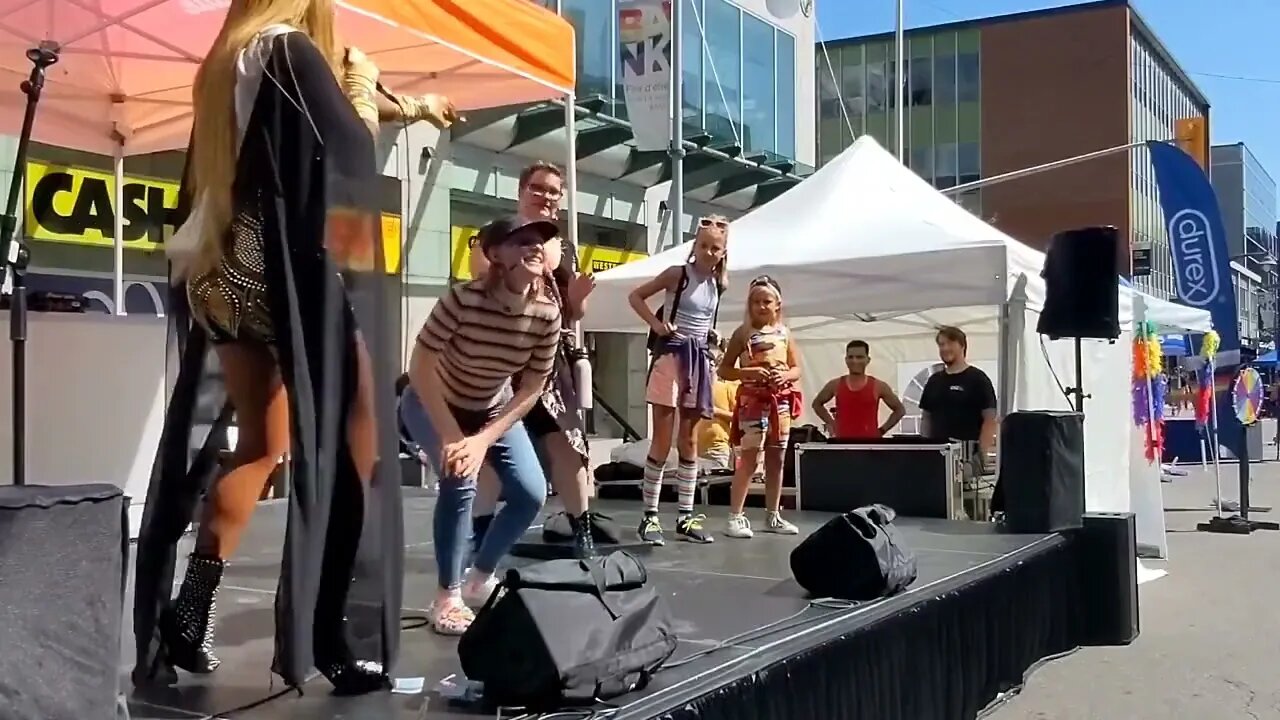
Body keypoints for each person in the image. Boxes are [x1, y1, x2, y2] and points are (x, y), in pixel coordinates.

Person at [133, 2, 457, 695]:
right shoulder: (287, 50)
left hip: (219, 271)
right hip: (271, 267)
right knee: (357, 446)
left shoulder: (228, 62)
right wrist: (367, 88)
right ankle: (334, 636)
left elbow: (298, 127)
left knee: (261, 445)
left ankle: (190, 609)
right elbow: (348, 152)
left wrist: (406, 104)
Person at [401, 216, 560, 635]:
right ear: (494, 255)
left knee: (530, 493)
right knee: (459, 478)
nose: (535, 246)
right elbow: (419, 367)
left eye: (540, 240)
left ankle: (478, 579)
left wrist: (483, 439)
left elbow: (531, 388)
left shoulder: (547, 315)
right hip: (431, 401)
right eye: (521, 240)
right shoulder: (463, 300)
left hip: (492, 411)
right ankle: (446, 596)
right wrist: (456, 439)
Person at [467, 162, 599, 559]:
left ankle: (582, 531)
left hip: (548, 359)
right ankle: (480, 534)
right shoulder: (497, 235)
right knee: (491, 451)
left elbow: (573, 314)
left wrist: (577, 296)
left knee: (569, 446)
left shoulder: (566, 247)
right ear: (522, 191)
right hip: (501, 357)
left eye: (553, 191)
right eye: (538, 188)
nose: (545, 196)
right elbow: (480, 286)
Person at [627, 216, 729, 545]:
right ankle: (650, 517)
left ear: (724, 251)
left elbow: (703, 319)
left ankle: (686, 516)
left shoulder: (718, 283)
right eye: (704, 246)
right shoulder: (677, 275)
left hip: (699, 361)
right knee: (662, 440)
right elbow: (636, 297)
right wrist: (657, 327)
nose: (709, 252)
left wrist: (713, 338)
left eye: (716, 248)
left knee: (689, 442)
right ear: (694, 247)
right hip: (670, 358)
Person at [718, 276, 800, 539]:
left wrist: (785, 376)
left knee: (776, 458)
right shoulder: (742, 333)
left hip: (780, 402)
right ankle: (735, 516)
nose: (761, 307)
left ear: (777, 304)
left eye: (767, 301)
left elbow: (796, 368)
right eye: (756, 302)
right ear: (749, 305)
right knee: (750, 460)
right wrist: (749, 373)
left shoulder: (785, 333)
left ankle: (772, 515)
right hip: (752, 402)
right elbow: (725, 369)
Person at [919, 326, 998, 456]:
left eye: (950, 343)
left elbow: (989, 419)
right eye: (941, 345)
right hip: (937, 455)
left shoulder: (978, 379)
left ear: (962, 346)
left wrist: (981, 455)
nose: (944, 348)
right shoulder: (934, 381)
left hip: (967, 455)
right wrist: (924, 449)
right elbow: (926, 418)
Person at [811, 340, 906, 439]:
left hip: (870, 446)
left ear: (867, 360)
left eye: (859, 357)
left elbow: (900, 410)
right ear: (846, 360)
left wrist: (882, 430)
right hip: (842, 445)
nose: (854, 361)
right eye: (851, 357)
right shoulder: (835, 385)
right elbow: (817, 404)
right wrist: (831, 423)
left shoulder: (879, 386)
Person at [696, 334, 739, 471]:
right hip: (694, 448)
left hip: (717, 449)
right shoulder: (695, 387)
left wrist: (715, 411)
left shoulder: (729, 386)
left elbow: (739, 417)